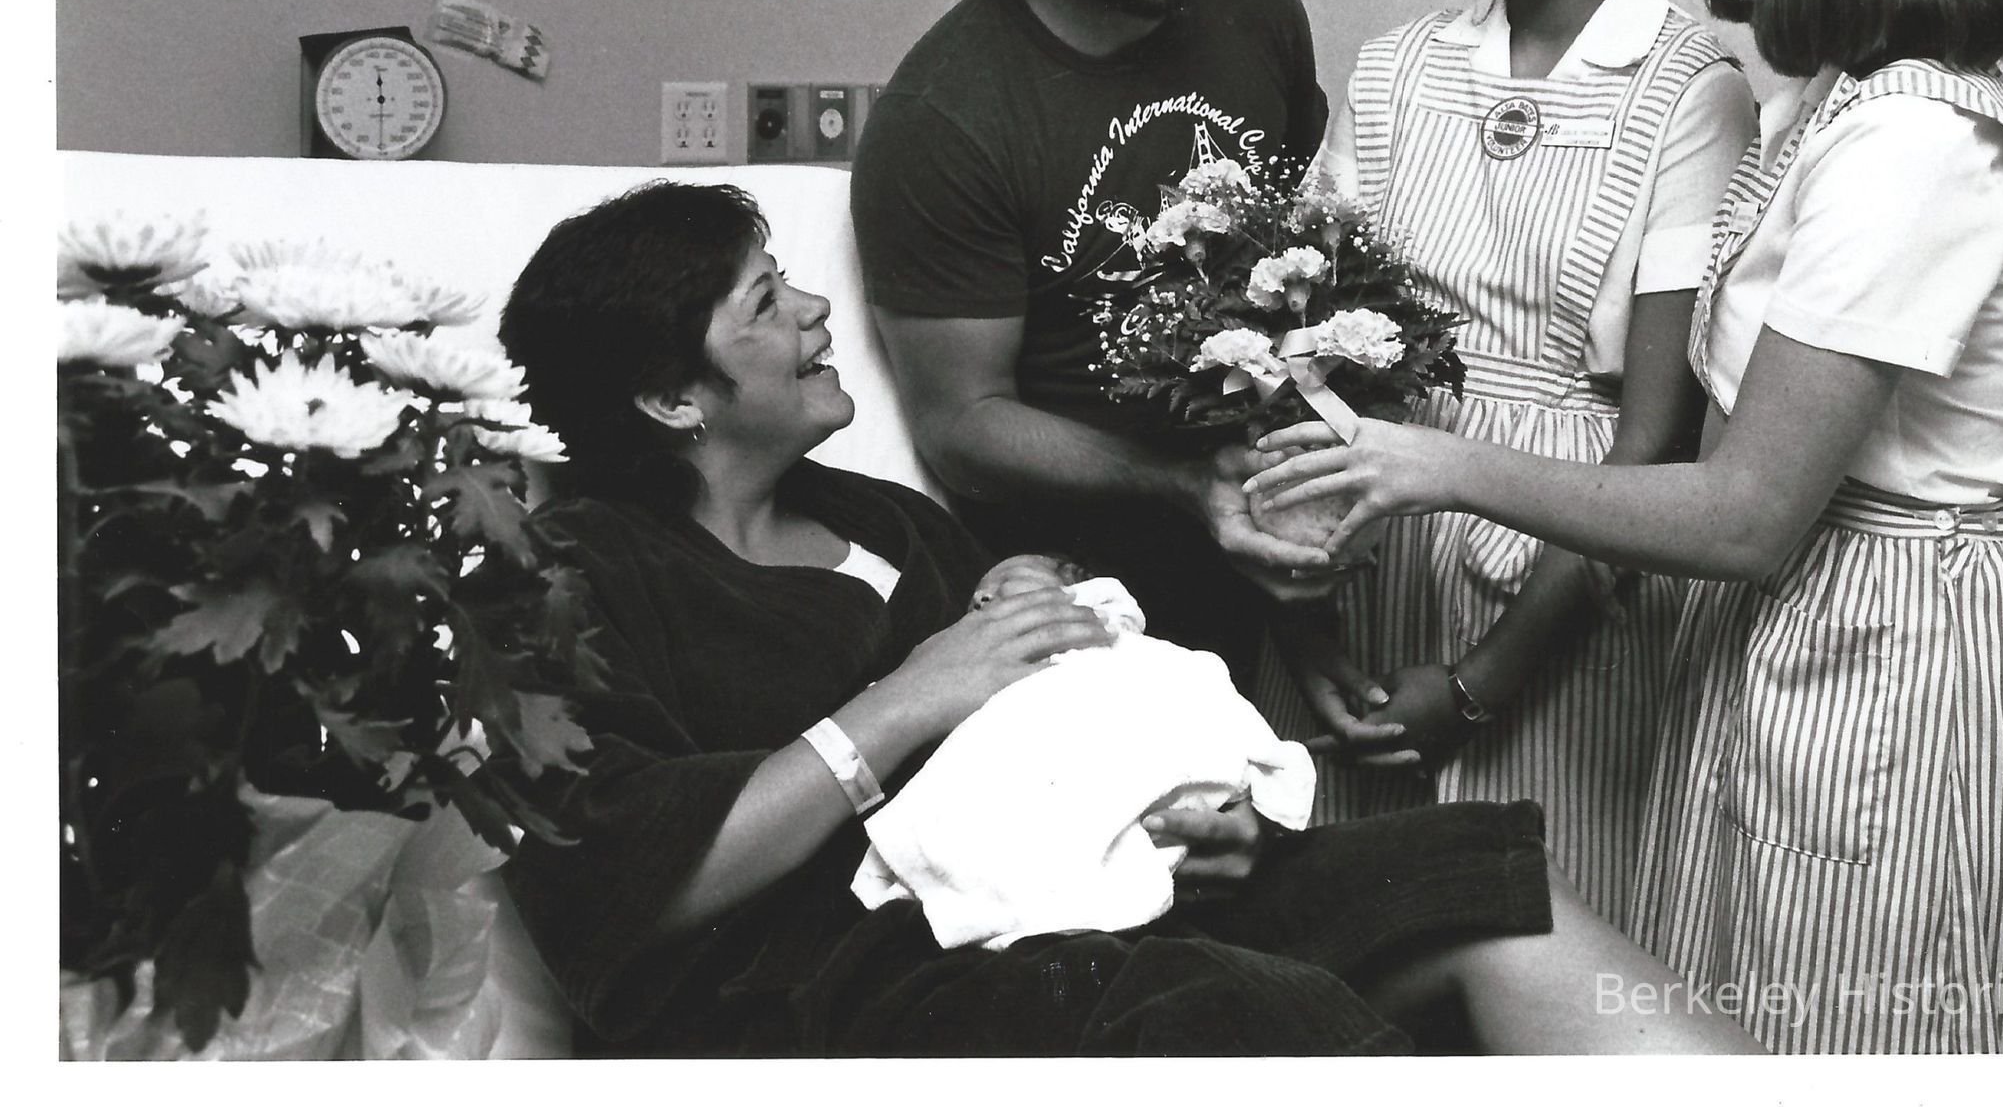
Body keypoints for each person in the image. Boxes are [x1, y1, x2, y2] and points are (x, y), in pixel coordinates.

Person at [1248, 0, 2003, 1054]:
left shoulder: (1914, 144)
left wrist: (1435, 464)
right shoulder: (1835, 105)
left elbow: (1747, 509)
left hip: (1884, 665)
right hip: (1789, 648)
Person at [493, 179, 1753, 1056]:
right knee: (1219, 1011)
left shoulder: (881, 520)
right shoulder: (572, 580)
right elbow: (620, 886)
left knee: (1474, 877)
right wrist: (906, 698)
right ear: (672, 397)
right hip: (842, 989)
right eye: (766, 304)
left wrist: (1201, 821)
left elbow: (1057, 719)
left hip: (1073, 903)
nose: (815, 311)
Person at [1256, 0, 1753, 929]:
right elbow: (1303, 354)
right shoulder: (1395, 68)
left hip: (1565, 580)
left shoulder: (1689, 90)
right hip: (1370, 549)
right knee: (1336, 949)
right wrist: (1309, 627)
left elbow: (1655, 440)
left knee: (1539, 933)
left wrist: (1482, 683)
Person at [851, 0, 1330, 676]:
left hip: (1290, 544)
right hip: (1092, 616)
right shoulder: (944, 118)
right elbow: (962, 424)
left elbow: (1315, 254)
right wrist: (1186, 482)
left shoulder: (1256, 7)